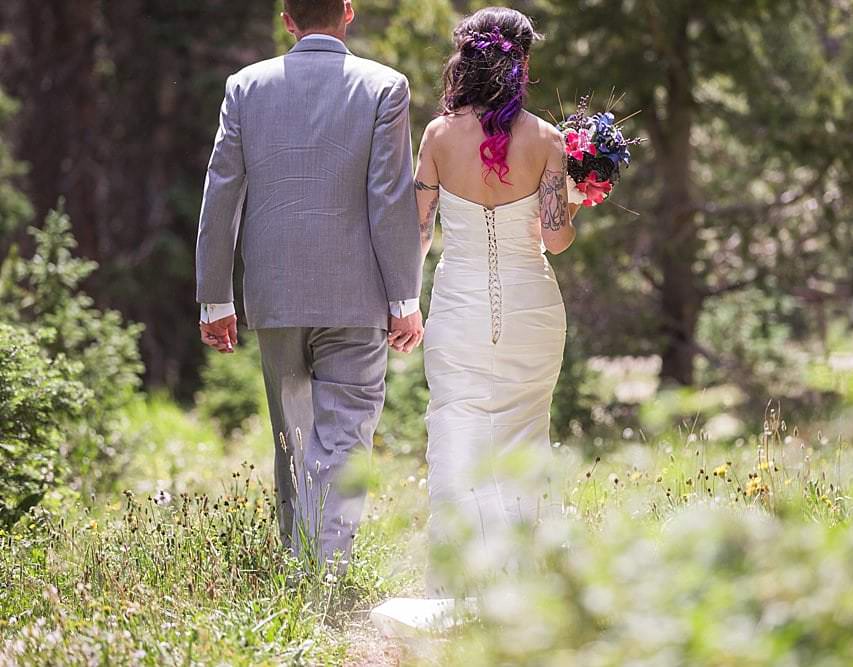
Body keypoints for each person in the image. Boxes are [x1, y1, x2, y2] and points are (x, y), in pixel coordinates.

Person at [194, 0, 423, 570]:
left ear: (286, 19)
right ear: (348, 12)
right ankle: (325, 569)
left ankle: (305, 569)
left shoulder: (245, 86)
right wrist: (405, 299)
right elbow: (389, 198)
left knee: (293, 439)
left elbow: (222, 191)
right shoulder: (384, 86)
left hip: (274, 296)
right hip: (358, 295)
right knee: (344, 436)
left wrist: (216, 297)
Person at [414, 6, 581, 576]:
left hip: (458, 308)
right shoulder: (547, 139)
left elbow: (416, 234)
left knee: (456, 429)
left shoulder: (437, 136)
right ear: (523, 64)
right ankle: (520, 580)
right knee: (525, 434)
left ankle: (459, 574)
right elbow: (557, 241)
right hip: (532, 308)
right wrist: (576, 201)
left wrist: (403, 304)